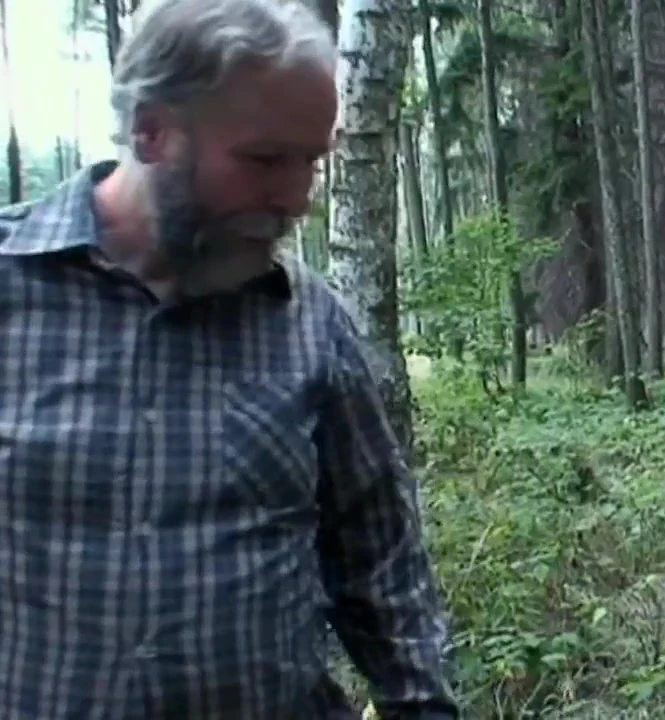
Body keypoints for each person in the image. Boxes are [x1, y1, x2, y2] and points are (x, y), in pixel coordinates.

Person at [0, 0, 458, 718]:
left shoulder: (311, 326)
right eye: (266, 159)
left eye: (311, 161)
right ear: (151, 131)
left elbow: (383, 567)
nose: (297, 197)